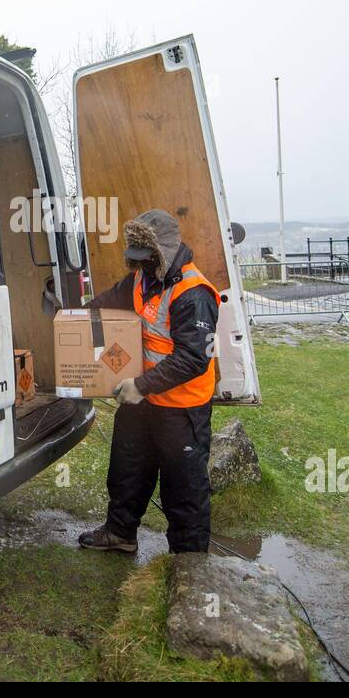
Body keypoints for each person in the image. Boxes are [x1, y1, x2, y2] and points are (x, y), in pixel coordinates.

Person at [77, 208, 219, 554]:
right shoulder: (142, 278)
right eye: (136, 260)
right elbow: (107, 302)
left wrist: (140, 386)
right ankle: (120, 533)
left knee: (184, 488)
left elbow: (193, 358)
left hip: (181, 409)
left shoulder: (194, 292)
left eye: (147, 259)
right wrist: (73, 317)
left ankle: (188, 563)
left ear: (164, 252)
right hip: (141, 400)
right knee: (127, 471)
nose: (140, 266)